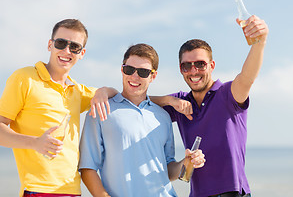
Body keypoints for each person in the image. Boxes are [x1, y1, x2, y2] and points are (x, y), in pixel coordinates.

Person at [0, 19, 118, 197]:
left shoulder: (77, 91)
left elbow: (120, 97)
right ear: (50, 45)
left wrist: (104, 91)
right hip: (38, 189)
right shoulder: (24, 78)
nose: (66, 51)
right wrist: (35, 143)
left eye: (74, 47)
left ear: (82, 53)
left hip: (72, 190)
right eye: (61, 43)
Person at [150, 15, 269, 197]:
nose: (193, 71)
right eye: (186, 66)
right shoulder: (181, 102)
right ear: (180, 69)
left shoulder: (228, 94)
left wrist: (259, 42)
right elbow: (140, 101)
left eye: (200, 64)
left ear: (211, 65)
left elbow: (247, 77)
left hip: (233, 193)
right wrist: (169, 100)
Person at [78, 43, 206, 197]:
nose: (134, 76)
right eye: (129, 69)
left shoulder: (163, 117)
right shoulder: (101, 109)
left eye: (143, 72)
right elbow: (87, 168)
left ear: (153, 76)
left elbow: (168, 170)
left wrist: (186, 163)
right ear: (122, 69)